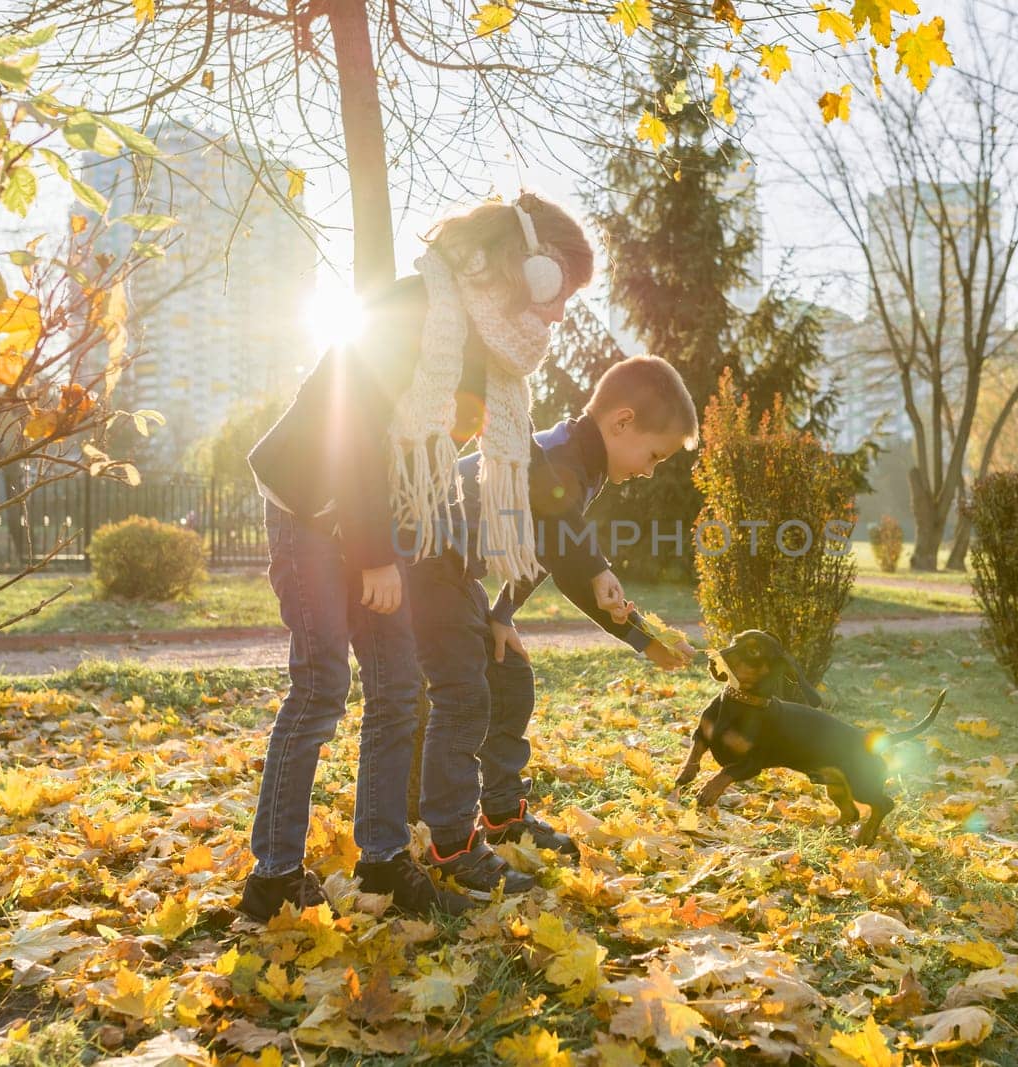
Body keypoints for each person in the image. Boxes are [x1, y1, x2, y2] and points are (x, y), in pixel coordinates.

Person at [239, 193, 594, 919]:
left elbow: (523, 465)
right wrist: (371, 555)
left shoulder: (486, 353)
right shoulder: (413, 310)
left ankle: (382, 864)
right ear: (524, 269)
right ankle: (272, 876)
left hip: (377, 513)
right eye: (560, 289)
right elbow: (353, 431)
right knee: (321, 686)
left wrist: (584, 561)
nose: (559, 313)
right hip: (313, 504)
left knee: (399, 689)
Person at [408, 355, 699, 895]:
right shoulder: (565, 458)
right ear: (622, 422)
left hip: (457, 570)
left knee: (511, 675)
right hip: (427, 557)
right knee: (465, 695)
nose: (650, 470)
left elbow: (543, 552)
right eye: (653, 455)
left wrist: (501, 615)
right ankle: (450, 841)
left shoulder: (580, 463)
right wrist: (636, 632)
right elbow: (572, 562)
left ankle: (501, 812)